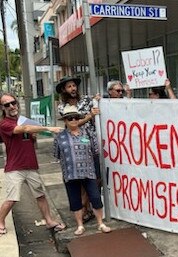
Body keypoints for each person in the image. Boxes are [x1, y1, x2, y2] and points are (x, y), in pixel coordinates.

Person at [0, 93, 66, 235]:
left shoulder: (23, 121)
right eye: (7, 105)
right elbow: (23, 130)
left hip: (31, 165)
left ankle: (49, 221)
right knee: (12, 199)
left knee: (40, 195)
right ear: (3, 108)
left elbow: (30, 141)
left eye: (13, 102)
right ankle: (0, 222)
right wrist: (49, 128)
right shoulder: (5, 123)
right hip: (14, 168)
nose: (11, 106)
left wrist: (34, 138)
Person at [54, 105, 111, 236]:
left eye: (75, 117)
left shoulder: (88, 133)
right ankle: (80, 225)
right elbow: (57, 154)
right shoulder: (59, 137)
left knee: (95, 197)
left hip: (88, 171)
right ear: (65, 121)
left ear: (79, 118)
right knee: (75, 200)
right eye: (69, 118)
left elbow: (96, 150)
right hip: (70, 173)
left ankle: (100, 223)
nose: (73, 120)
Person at [56, 76, 100, 222]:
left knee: (95, 178)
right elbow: (74, 123)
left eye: (74, 86)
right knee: (80, 179)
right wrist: (89, 116)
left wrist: (98, 100)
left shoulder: (87, 101)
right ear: (63, 90)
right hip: (74, 147)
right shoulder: (62, 107)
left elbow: (97, 105)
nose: (73, 89)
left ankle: (87, 206)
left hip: (90, 144)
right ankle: (84, 209)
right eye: (69, 87)